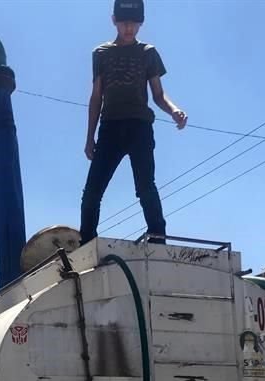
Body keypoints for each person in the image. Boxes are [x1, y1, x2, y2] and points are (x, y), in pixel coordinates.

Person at [80, 0, 187, 245]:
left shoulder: (148, 52)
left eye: (134, 23)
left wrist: (174, 110)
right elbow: (96, 96)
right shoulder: (101, 53)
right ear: (114, 20)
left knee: (145, 187)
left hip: (139, 127)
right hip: (110, 128)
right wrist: (89, 137)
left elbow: (158, 94)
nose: (129, 28)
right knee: (92, 192)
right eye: (124, 22)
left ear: (141, 23)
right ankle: (86, 243)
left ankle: (158, 239)